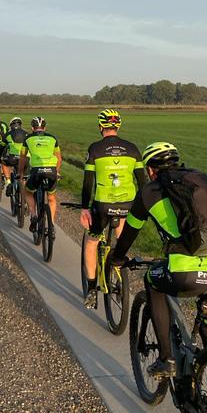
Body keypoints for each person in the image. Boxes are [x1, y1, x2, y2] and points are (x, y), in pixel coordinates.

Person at [109, 141, 207, 377]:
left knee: (153, 281)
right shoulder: (199, 180)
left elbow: (129, 232)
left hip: (186, 274)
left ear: (150, 169)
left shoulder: (149, 192)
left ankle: (166, 359)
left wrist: (117, 258)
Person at [79, 109, 145, 308]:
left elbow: (88, 182)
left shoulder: (95, 149)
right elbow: (143, 182)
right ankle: (119, 266)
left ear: (101, 127)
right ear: (118, 126)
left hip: (103, 205)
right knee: (121, 234)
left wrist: (84, 208)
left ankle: (91, 290)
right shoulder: (132, 149)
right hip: (127, 204)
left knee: (91, 242)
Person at [18, 116, 62, 232]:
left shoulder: (28, 138)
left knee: (28, 192)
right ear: (44, 127)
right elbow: (59, 158)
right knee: (51, 198)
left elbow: (22, 158)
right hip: (51, 170)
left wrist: (21, 173)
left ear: (32, 128)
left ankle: (33, 215)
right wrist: (57, 172)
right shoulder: (53, 138)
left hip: (36, 171)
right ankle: (51, 225)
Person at [0, 116, 27, 194]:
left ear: (11, 125)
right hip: (25, 159)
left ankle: (8, 182)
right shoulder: (27, 134)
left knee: (4, 163)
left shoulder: (7, 134)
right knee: (24, 175)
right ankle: (24, 194)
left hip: (12, 158)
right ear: (20, 125)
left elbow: (2, 148)